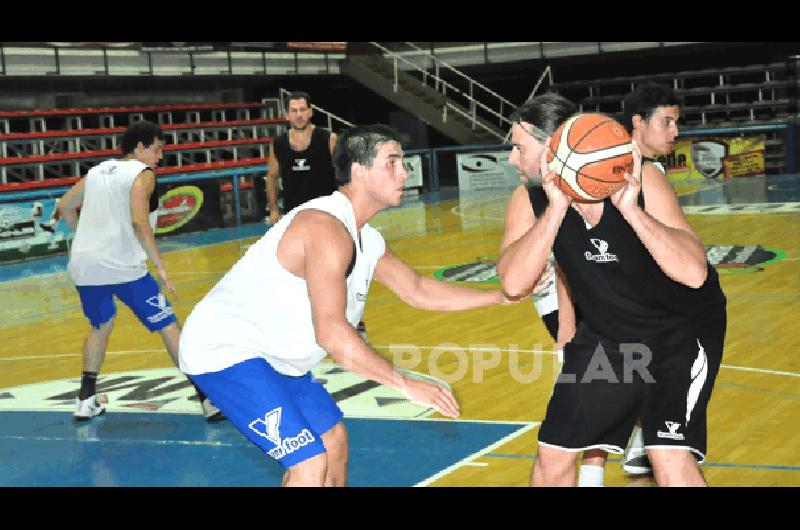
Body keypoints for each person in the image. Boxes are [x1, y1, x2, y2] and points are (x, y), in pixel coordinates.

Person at [179, 124, 516, 487]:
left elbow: (416, 289)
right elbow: (332, 332)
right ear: (359, 171)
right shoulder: (324, 229)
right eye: (392, 163)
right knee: (309, 464)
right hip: (226, 351)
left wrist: (501, 296)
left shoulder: (365, 238)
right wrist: (404, 383)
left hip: (275, 358)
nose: (404, 172)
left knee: (333, 442)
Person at [498, 83, 727, 487]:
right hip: (608, 338)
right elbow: (514, 285)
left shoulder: (641, 179)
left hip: (679, 333)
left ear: (556, 147)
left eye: (519, 147)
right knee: (553, 456)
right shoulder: (529, 200)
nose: (511, 157)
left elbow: (694, 273)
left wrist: (630, 210)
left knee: (667, 453)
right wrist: (556, 209)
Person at [55, 120, 224, 423]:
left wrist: (86, 238)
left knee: (100, 326)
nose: (160, 157)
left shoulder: (96, 171)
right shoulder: (143, 174)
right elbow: (139, 221)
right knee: (168, 325)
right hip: (124, 268)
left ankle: (85, 400)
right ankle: (207, 400)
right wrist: (160, 266)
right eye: (157, 150)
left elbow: (65, 205)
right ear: (140, 147)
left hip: (85, 265)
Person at [266, 91, 338, 225]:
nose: (299, 115)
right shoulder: (278, 144)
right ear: (287, 115)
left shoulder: (329, 139)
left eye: (302, 110)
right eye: (294, 111)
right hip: (294, 216)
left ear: (310, 112)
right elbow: (272, 177)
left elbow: (344, 175)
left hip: (328, 214)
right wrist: (274, 210)